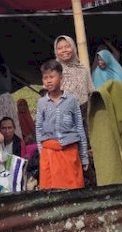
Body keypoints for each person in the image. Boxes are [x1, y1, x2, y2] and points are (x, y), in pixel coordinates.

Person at [35, 59, 89, 190]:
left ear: (61, 78)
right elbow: (39, 128)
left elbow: (79, 128)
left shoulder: (72, 100)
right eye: (45, 78)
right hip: (49, 154)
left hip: (69, 153)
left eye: (52, 77)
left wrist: (84, 156)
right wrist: (42, 152)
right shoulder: (41, 103)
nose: (48, 81)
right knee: (51, 194)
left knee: (73, 191)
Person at [53, 35, 94, 106]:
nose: (64, 50)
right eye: (60, 48)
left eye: (67, 47)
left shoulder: (83, 70)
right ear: (56, 51)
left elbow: (91, 92)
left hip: (83, 113)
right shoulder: (53, 71)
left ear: (73, 48)